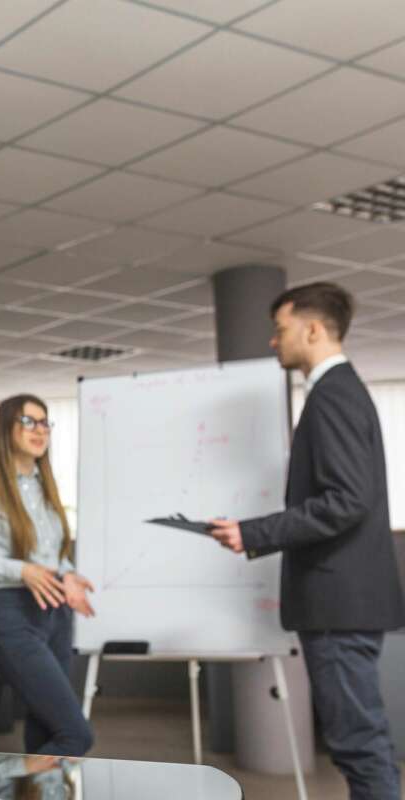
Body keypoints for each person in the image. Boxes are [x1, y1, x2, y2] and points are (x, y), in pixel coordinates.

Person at [209, 282, 405, 800]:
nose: (274, 341)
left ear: (313, 329)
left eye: (280, 329)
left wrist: (253, 532)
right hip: (346, 603)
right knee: (361, 743)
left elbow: (346, 500)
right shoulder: (342, 391)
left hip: (338, 605)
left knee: (358, 746)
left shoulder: (333, 394)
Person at [0, 395, 94, 757]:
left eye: (45, 423)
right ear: (6, 427)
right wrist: (22, 570)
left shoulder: (45, 485)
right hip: (9, 611)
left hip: (54, 612)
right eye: (29, 421)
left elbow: (51, 555)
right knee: (76, 735)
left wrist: (67, 574)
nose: (40, 430)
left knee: (47, 730)